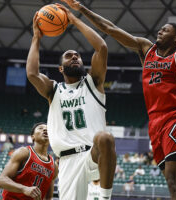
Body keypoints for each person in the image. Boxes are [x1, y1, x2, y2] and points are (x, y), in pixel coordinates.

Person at [61, 0, 176, 199]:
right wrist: (81, 9)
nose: (160, 32)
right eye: (161, 29)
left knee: (174, 183)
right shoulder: (146, 49)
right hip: (154, 123)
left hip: (174, 118)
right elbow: (110, 28)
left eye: (165, 30)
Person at [26, 4, 116, 200]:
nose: (75, 57)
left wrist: (73, 20)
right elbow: (32, 73)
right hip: (67, 161)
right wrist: (36, 37)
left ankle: (106, 197)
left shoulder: (94, 83)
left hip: (93, 156)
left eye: (78, 56)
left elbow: (101, 47)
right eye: (69, 56)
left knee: (105, 138)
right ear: (60, 69)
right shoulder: (53, 90)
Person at [0, 122, 57, 200]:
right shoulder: (24, 152)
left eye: (48, 129)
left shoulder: (54, 166)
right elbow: (1, 181)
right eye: (40, 128)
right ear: (33, 137)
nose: (45, 129)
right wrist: (24, 189)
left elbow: (48, 197)